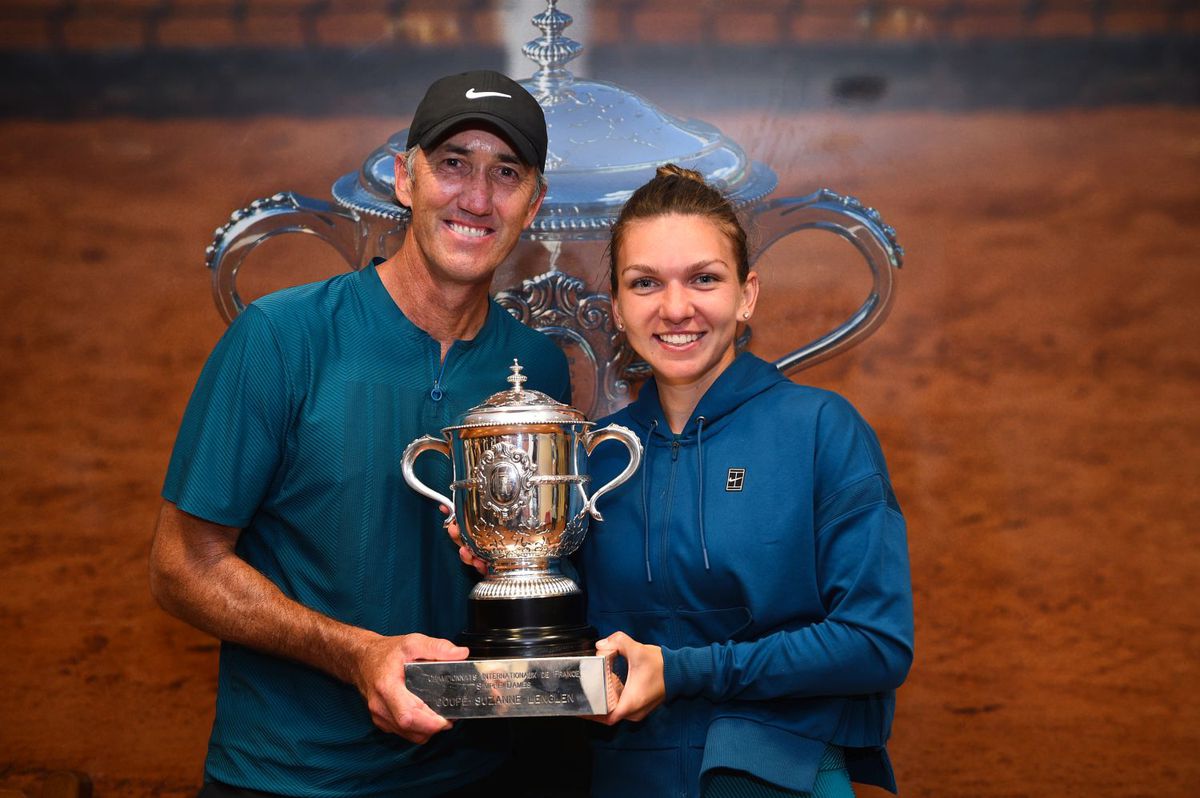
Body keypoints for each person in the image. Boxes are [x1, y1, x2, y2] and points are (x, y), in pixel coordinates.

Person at [148, 70, 573, 797]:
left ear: (532, 206)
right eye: (452, 165)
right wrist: (356, 654)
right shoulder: (280, 338)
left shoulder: (533, 371)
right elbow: (182, 565)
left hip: (475, 774)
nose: (476, 197)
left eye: (505, 173)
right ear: (405, 179)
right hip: (288, 778)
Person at [577, 164, 914, 797]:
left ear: (747, 293)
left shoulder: (821, 430)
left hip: (778, 781)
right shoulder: (591, 457)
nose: (677, 308)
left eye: (704, 278)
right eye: (645, 283)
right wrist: (498, 568)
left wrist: (682, 671)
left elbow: (876, 643)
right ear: (616, 308)